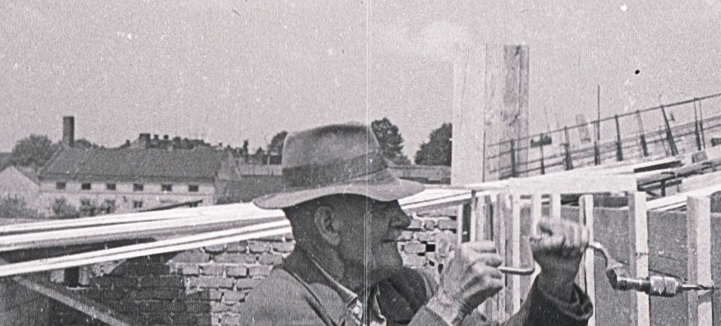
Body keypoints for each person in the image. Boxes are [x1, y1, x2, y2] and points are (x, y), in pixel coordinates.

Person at [245, 123, 593, 326]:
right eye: (383, 205)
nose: (404, 219)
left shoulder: (407, 287)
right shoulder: (279, 306)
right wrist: (445, 306)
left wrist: (555, 287)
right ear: (328, 225)